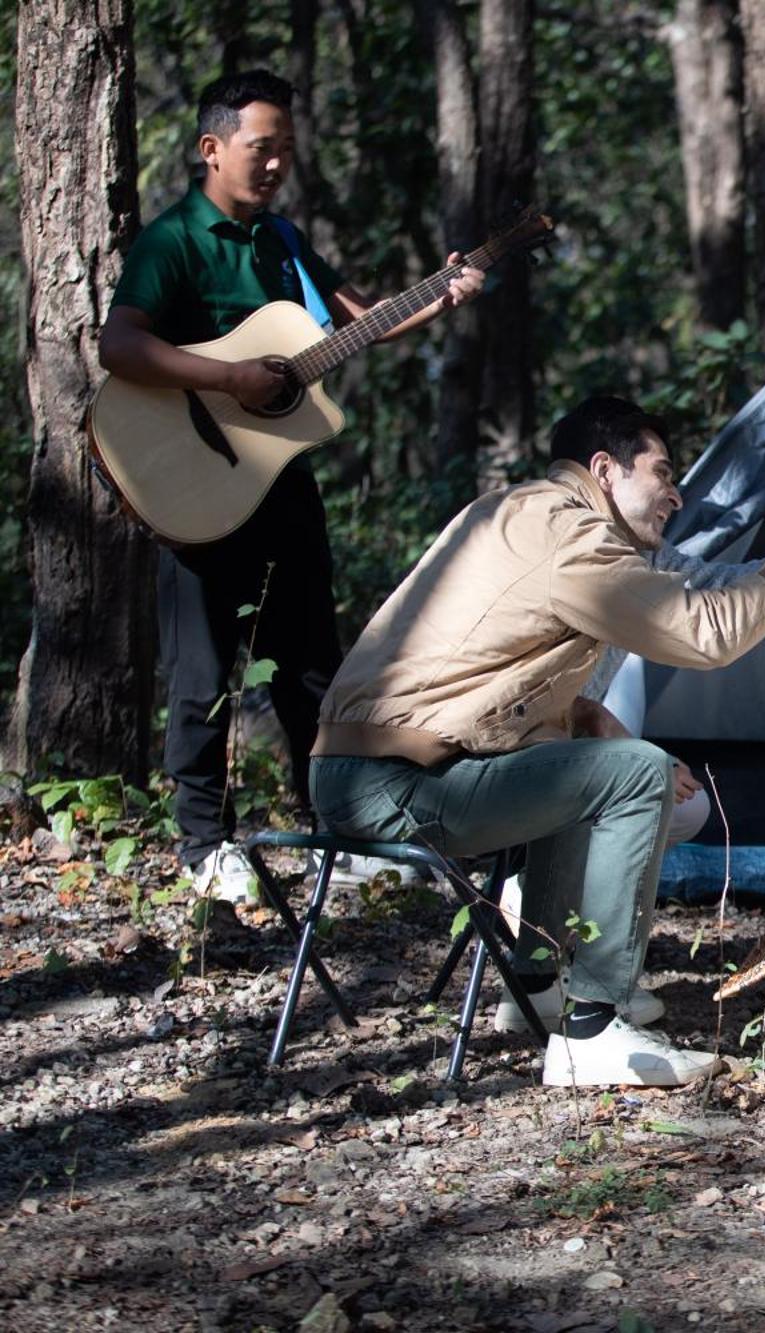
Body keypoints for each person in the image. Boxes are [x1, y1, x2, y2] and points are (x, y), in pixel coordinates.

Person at [310, 396, 765, 1087]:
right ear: (604, 469)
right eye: (661, 471)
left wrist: (579, 712)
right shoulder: (568, 532)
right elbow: (702, 631)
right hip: (402, 777)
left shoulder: (515, 512)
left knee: (585, 765)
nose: (675, 492)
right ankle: (594, 1027)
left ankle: (537, 985)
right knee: (638, 772)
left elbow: (477, 662)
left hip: (365, 765)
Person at [97, 69, 485, 905]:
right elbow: (119, 348)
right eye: (259, 147)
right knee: (204, 672)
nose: (275, 164)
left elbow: (360, 317)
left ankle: (335, 834)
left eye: (286, 151)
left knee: (310, 664)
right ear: (211, 149)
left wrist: (443, 294)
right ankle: (204, 846)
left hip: (278, 480)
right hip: (192, 484)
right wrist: (230, 375)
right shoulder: (176, 241)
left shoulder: (280, 238)